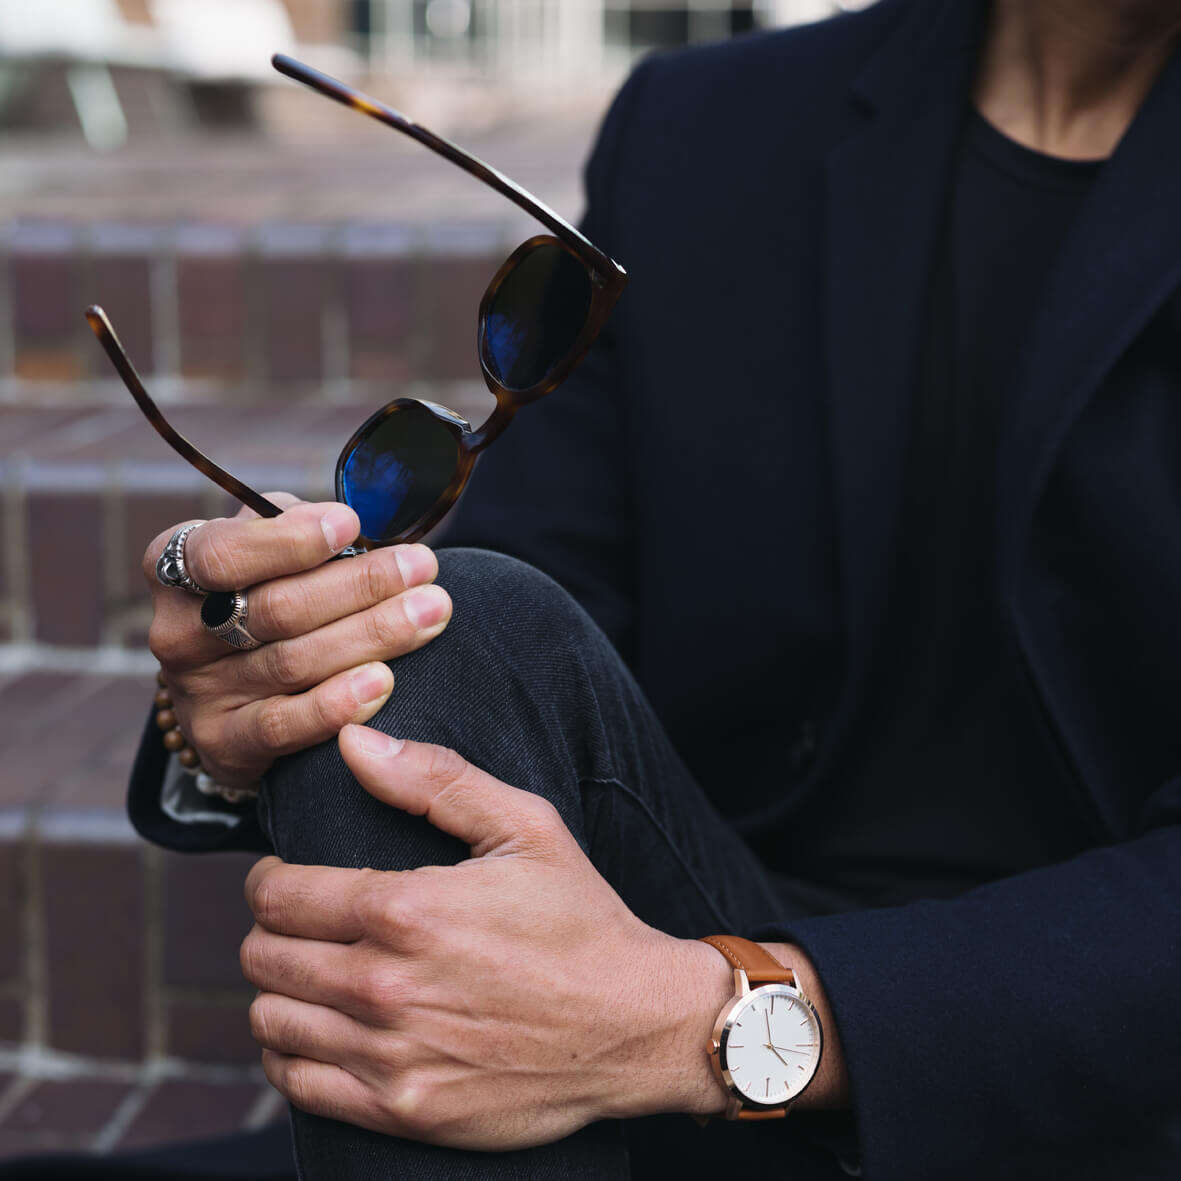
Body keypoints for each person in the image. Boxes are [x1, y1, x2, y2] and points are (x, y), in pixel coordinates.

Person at [124, 0, 1181, 1177]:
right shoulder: (709, 127)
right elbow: (523, 617)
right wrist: (257, 690)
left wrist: (707, 1021)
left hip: (1097, 1077)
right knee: (441, 630)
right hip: (659, 959)